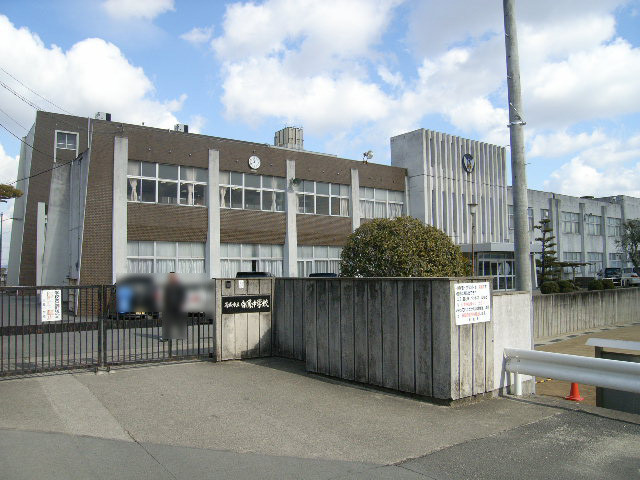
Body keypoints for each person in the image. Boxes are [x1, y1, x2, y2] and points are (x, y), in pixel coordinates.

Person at [162, 272, 187, 341]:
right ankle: (166, 337)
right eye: (170, 277)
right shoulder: (167, 286)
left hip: (177, 306)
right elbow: (166, 296)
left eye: (172, 277)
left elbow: (182, 295)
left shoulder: (179, 286)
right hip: (168, 307)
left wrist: (180, 304)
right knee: (167, 322)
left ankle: (181, 335)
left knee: (179, 322)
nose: (171, 278)